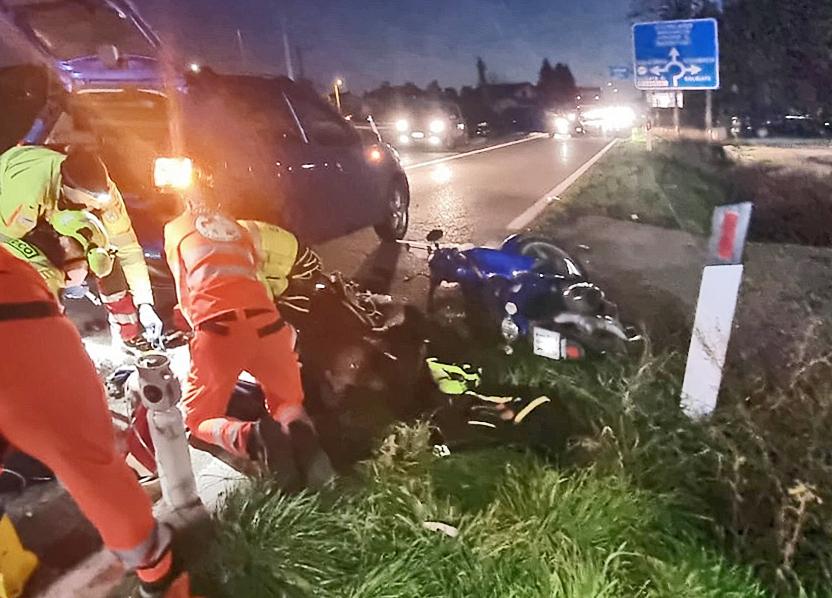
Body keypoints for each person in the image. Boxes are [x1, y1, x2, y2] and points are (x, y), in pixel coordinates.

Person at [0, 246, 195, 598]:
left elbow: (119, 253)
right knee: (95, 470)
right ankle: (160, 575)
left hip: (30, 318)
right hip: (31, 322)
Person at [164, 191, 334, 490]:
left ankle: (251, 439)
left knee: (197, 419)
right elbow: (256, 274)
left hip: (219, 331)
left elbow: (186, 291)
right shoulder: (238, 228)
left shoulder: (175, 230)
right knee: (287, 403)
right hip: (270, 324)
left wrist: (195, 332)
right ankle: (303, 443)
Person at [0, 145, 163, 347]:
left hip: (54, 213)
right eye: (85, 205)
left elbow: (126, 247)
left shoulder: (104, 195)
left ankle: (126, 334)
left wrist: (145, 302)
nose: (92, 209)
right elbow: (5, 247)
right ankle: (50, 332)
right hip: (8, 222)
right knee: (45, 272)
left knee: (103, 254)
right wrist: (56, 278)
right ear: (66, 190)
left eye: (95, 206)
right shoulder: (28, 193)